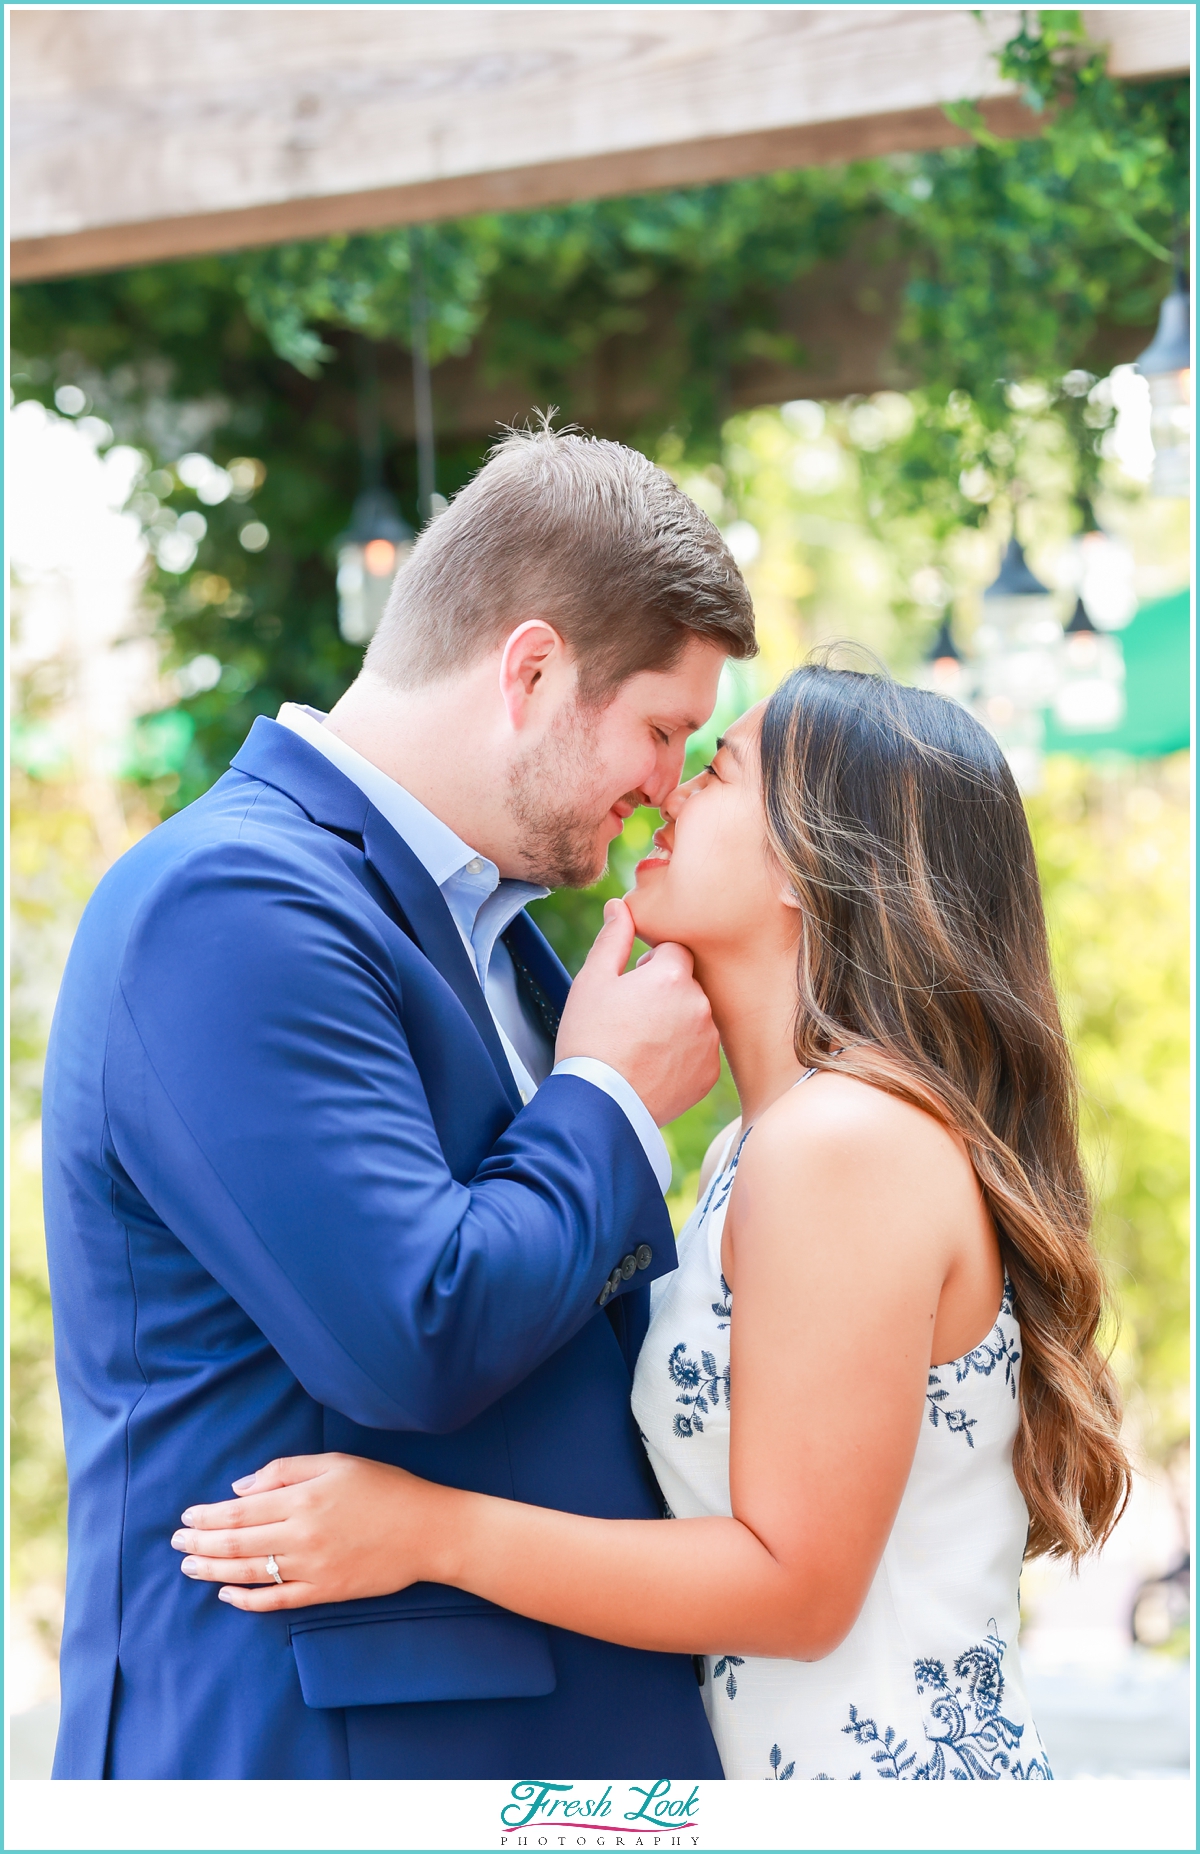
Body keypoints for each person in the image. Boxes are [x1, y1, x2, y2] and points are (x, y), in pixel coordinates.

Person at [174, 664, 1132, 1781]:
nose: (670, 793)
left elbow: (796, 1588)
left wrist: (427, 1531)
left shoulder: (843, 1145)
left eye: (718, 770)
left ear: (816, 858)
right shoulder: (760, 1148)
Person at [42, 425, 758, 1779]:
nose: (667, 787)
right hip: (326, 1758)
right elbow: (412, 1332)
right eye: (662, 729)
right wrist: (609, 1094)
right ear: (533, 670)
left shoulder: (494, 932)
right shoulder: (232, 906)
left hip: (534, 1754)